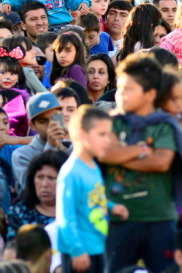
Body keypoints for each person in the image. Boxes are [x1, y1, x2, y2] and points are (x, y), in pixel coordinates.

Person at [100, 55, 182, 273]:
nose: (120, 94)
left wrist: (120, 155)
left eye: (128, 89)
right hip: (118, 219)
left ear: (150, 95)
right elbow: (104, 153)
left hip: (160, 219)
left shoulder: (164, 125)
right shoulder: (111, 123)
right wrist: (142, 151)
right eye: (119, 88)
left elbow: (161, 162)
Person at [58, 105, 128, 273]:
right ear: (82, 135)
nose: (108, 140)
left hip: (97, 248)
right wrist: (77, 251)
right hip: (79, 253)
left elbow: (93, 199)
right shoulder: (71, 172)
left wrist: (112, 207)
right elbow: (65, 215)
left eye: (109, 135)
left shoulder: (93, 166)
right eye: (102, 135)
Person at [7, 150, 66, 239]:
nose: (44, 184)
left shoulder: (77, 212)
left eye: (51, 178)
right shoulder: (18, 213)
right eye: (40, 177)